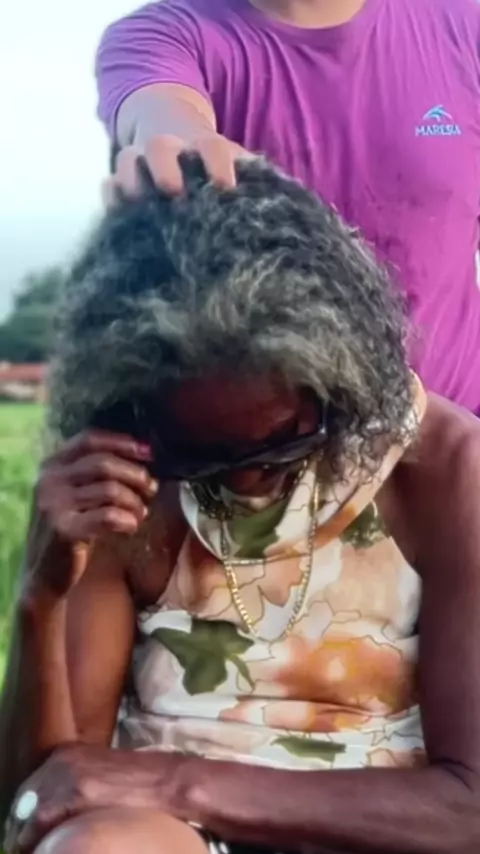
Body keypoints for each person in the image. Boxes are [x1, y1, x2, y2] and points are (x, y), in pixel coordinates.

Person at [1, 153, 480, 854]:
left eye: (284, 445)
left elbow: (469, 809)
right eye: (202, 460)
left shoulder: (444, 471)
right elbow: (40, 799)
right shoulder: (123, 478)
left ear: (344, 387)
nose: (249, 483)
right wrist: (39, 597)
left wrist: (176, 782)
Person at [95, 0, 480, 416]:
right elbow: (161, 108)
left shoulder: (465, 28)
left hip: (464, 425)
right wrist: (183, 145)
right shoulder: (163, 34)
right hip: (275, 443)